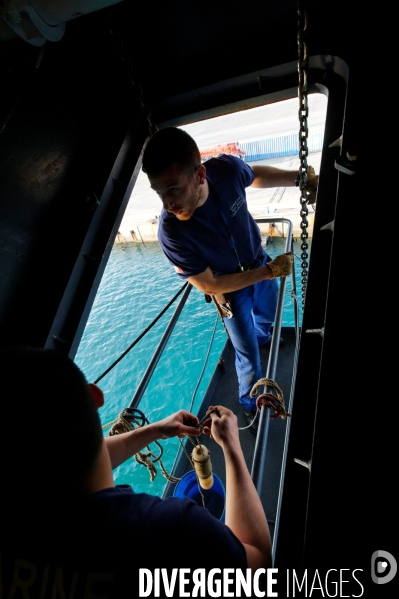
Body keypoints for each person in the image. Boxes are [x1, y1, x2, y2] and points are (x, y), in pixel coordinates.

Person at [0, 346, 271, 598]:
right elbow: (257, 566)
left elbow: (75, 452)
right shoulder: (175, 532)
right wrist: (232, 447)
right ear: (96, 396)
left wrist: (156, 430)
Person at [141, 127, 318, 431]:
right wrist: (270, 272)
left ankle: (264, 338)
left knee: (268, 315)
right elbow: (209, 285)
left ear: (200, 175)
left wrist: (298, 178)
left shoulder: (224, 170)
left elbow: (252, 174)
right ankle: (250, 403)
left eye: (173, 189)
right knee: (246, 355)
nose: (167, 205)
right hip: (229, 290)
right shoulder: (171, 232)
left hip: (259, 264)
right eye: (159, 193)